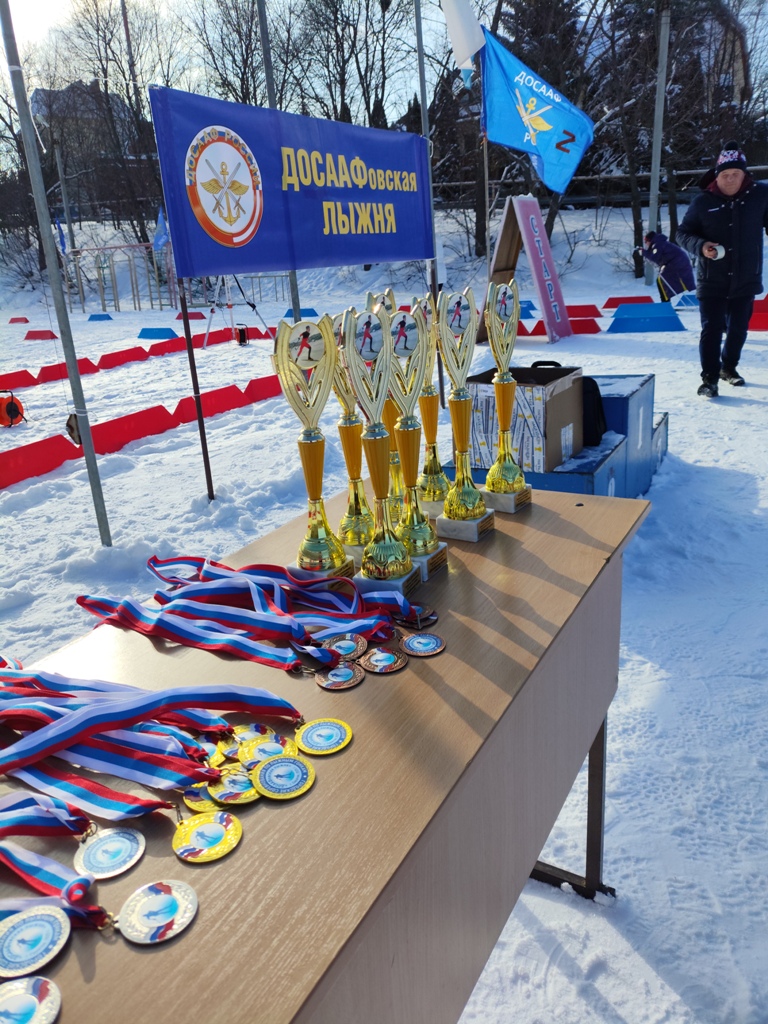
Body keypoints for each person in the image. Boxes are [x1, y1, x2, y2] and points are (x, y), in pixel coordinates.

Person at [677, 141, 768, 397]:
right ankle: (709, 379)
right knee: (712, 329)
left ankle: (728, 368)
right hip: (712, 277)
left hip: (745, 276)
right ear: (717, 176)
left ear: (744, 175)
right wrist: (702, 245)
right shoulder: (703, 202)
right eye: (725, 175)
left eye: (735, 175)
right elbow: (682, 233)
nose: (730, 180)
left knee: (739, 328)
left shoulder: (760, 196)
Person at [637, 231, 695, 301]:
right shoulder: (660, 243)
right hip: (678, 264)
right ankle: (668, 299)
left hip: (676, 265)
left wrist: (643, 252)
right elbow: (656, 257)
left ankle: (666, 301)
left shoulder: (658, 244)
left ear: (649, 240)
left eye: (646, 242)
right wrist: (646, 252)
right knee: (663, 280)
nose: (646, 244)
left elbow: (654, 257)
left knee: (663, 280)